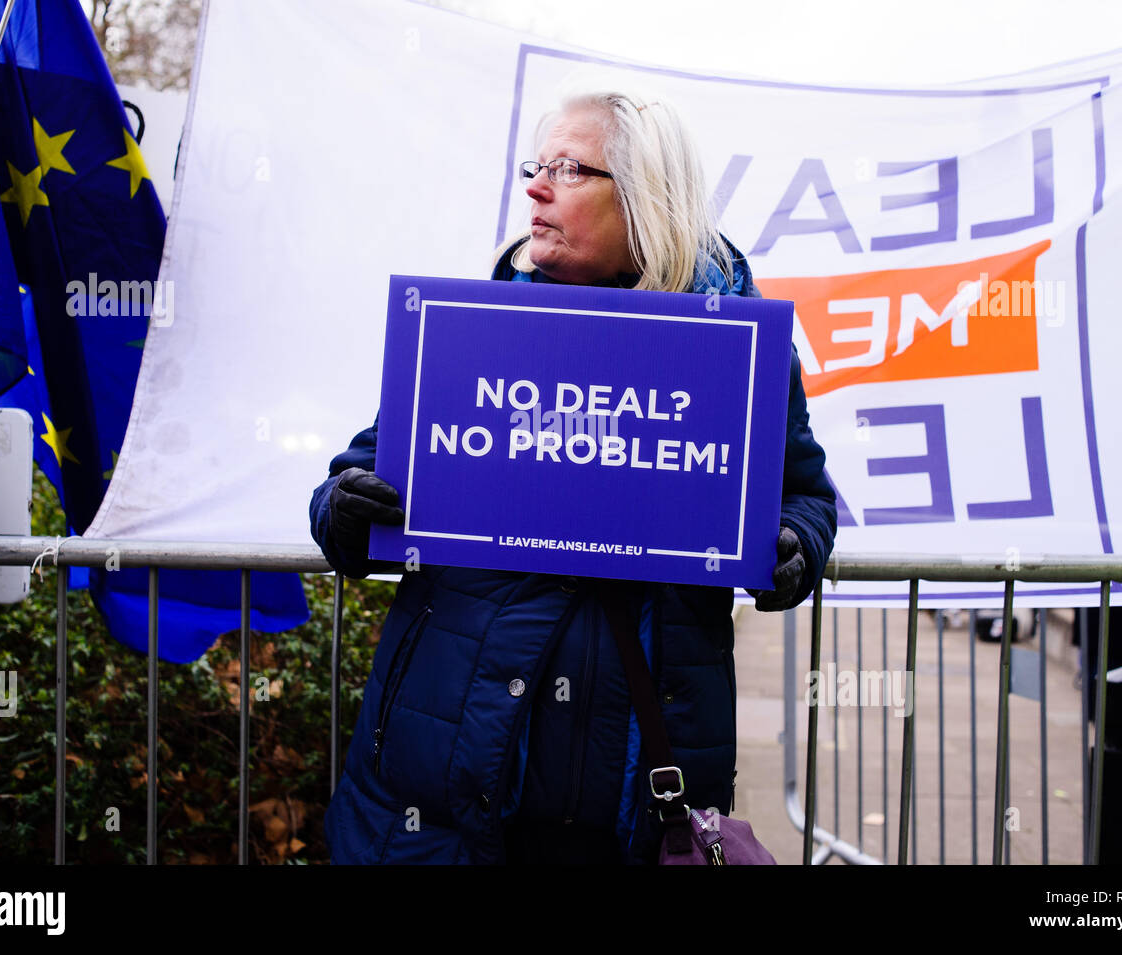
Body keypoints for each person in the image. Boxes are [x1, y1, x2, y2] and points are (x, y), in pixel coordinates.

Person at [309, 89, 837, 864]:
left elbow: (806, 495)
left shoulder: (739, 354)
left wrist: (792, 542)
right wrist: (346, 508)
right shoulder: (478, 331)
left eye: (567, 168)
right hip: (447, 803)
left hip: (638, 806)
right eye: (537, 165)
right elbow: (360, 473)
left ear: (644, 197)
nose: (535, 186)